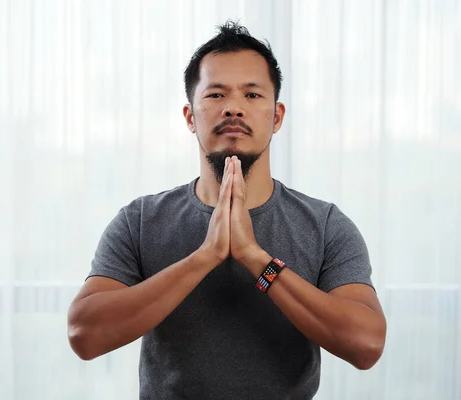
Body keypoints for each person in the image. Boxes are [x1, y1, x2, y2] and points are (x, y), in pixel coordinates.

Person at [67, 21, 386, 399]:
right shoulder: (139, 221)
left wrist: (256, 260)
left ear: (277, 117)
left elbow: (366, 345)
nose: (233, 107)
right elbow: (84, 336)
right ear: (190, 116)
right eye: (216, 95)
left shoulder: (325, 224)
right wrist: (205, 257)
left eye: (252, 96)